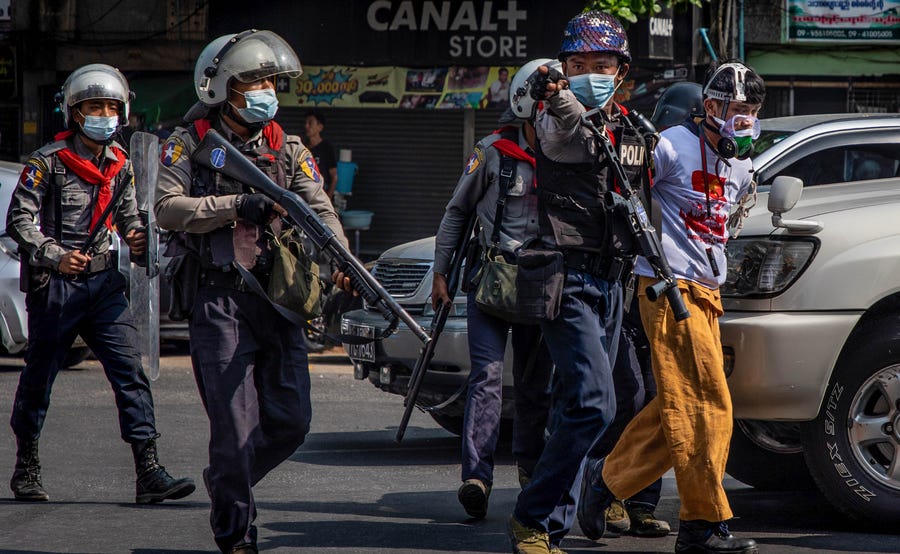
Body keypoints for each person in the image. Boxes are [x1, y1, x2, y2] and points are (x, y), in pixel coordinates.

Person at [154, 30, 347, 554]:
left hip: (279, 301)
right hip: (219, 302)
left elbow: (320, 208)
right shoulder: (189, 142)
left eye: (270, 80)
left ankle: (227, 481)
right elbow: (167, 208)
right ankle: (236, 531)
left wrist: (342, 258)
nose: (266, 89)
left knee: (291, 423)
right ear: (221, 88)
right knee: (234, 431)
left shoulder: (289, 148)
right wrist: (236, 206)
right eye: (254, 81)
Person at [579, 60, 764, 554]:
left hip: (709, 293)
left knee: (676, 410)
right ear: (710, 107)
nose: (743, 119)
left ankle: (604, 481)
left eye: (750, 110)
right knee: (712, 408)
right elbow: (621, 189)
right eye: (735, 109)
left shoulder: (743, 164)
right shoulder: (671, 146)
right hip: (667, 288)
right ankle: (702, 526)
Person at [6, 64, 195, 505]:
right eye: (95, 107)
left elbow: (130, 218)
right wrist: (55, 254)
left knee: (131, 373)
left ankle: (148, 473)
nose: (105, 115)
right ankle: (26, 465)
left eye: (112, 107)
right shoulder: (46, 164)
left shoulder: (121, 165)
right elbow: (19, 220)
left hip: (106, 286)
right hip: (56, 287)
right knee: (39, 379)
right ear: (75, 113)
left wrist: (138, 236)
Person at [505, 11, 652, 554]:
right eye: (579, 64)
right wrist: (560, 92)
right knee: (595, 403)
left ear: (622, 71)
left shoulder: (632, 129)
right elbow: (573, 133)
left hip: (615, 283)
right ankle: (532, 515)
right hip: (568, 283)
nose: (591, 72)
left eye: (602, 64)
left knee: (587, 404)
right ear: (562, 70)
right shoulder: (556, 120)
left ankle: (552, 524)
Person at [433, 57, 555, 525]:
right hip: (489, 284)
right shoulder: (490, 152)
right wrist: (441, 273)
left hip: (543, 287)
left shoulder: (572, 155)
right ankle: (476, 478)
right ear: (525, 105)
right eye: (546, 105)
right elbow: (455, 214)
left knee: (534, 387)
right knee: (485, 379)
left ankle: (530, 471)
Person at [304, 110, 338, 198]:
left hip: (321, 194)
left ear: (320, 127)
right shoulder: (303, 148)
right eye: (306, 123)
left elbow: (334, 177)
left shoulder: (326, 147)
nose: (306, 126)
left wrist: (328, 199)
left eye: (310, 123)